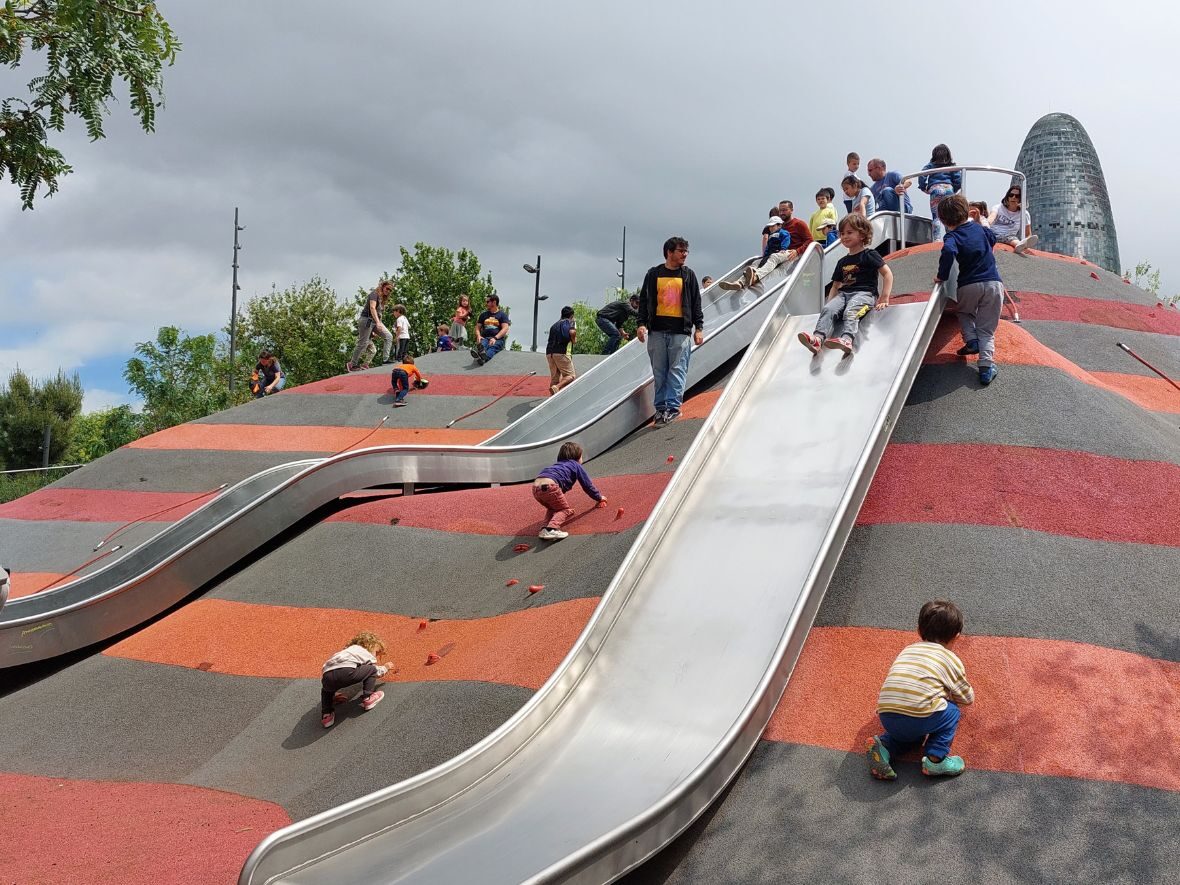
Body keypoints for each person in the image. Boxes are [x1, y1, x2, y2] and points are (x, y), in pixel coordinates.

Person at [866, 600, 974, 780]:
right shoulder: (950, 659)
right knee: (953, 711)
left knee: (912, 737)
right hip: (919, 716)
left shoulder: (907, 650)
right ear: (956, 637)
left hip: (887, 715)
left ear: (918, 630)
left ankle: (883, 747)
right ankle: (935, 760)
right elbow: (967, 698)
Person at [798, 214, 892, 355]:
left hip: (865, 295)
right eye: (842, 233)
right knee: (828, 309)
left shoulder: (870, 255)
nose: (844, 236)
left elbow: (887, 274)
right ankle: (817, 339)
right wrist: (831, 305)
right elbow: (836, 286)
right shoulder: (842, 262)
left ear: (862, 234)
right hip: (844, 295)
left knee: (852, 310)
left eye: (849, 232)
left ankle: (847, 339)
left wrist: (884, 297)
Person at [934, 195, 1004, 386]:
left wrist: (942, 275)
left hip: (968, 284)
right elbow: (992, 239)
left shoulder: (952, 236)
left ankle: (971, 340)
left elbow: (948, 251)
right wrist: (979, 219)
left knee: (965, 312)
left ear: (942, 220)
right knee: (987, 329)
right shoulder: (979, 229)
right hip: (993, 284)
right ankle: (985, 368)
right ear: (967, 212)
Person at [636, 236, 704, 426]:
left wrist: (698, 328)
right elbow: (644, 301)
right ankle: (660, 409)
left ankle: (673, 408)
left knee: (677, 370)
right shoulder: (653, 274)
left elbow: (696, 303)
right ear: (669, 252)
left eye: (686, 251)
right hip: (657, 331)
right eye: (681, 251)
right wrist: (641, 324)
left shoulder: (688, 275)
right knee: (659, 372)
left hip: (680, 332)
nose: (685, 255)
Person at [533, 440, 605, 541]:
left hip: (536, 488)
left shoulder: (557, 466)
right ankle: (551, 529)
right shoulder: (575, 465)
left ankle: (544, 529)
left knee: (554, 508)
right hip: (550, 485)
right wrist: (599, 497)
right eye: (581, 456)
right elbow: (587, 485)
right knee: (564, 510)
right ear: (577, 456)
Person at [321, 631, 394, 728]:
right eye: (377, 652)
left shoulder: (347, 652)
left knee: (326, 691)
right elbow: (376, 672)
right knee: (371, 669)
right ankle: (368, 698)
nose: (376, 656)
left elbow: (335, 669)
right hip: (346, 672)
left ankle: (327, 716)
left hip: (326, 675)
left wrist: (332, 695)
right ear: (370, 646)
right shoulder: (364, 652)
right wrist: (385, 667)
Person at [719, 212, 802, 291]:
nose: (771, 228)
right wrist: (764, 255)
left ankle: (756, 276)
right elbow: (768, 246)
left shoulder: (783, 232)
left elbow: (786, 240)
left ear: (779, 225)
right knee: (756, 263)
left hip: (780, 252)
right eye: (770, 226)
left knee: (772, 259)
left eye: (773, 226)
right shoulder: (771, 235)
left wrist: (783, 248)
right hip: (769, 254)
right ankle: (739, 283)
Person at [915, 144, 962, 241]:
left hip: (935, 190)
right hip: (948, 189)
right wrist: (954, 190)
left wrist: (923, 187)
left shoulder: (931, 165)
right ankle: (951, 238)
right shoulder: (952, 166)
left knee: (936, 216)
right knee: (949, 216)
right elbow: (958, 180)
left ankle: (937, 239)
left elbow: (922, 175)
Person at [348, 280, 394, 372]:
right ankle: (352, 364)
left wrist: (377, 327)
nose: (388, 291)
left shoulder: (382, 299)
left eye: (390, 290)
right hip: (366, 320)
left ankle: (385, 359)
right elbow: (372, 308)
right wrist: (377, 323)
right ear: (382, 286)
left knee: (389, 336)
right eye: (387, 288)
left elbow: (379, 313)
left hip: (375, 322)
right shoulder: (374, 294)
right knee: (363, 343)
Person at [989, 185, 1038, 253]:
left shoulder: (1024, 214)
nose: (1013, 197)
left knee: (1013, 240)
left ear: (1020, 199)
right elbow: (991, 217)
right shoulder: (998, 207)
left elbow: (1028, 233)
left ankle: (1021, 245)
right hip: (992, 233)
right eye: (1011, 195)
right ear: (1007, 197)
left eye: (1017, 196)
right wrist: (986, 224)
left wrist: (1028, 241)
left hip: (1009, 236)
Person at [546, 305, 577, 395]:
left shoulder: (554, 325)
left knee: (555, 379)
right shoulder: (570, 322)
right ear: (571, 315)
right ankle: (558, 387)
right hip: (561, 352)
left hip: (549, 353)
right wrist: (574, 340)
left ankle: (553, 399)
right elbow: (572, 332)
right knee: (570, 375)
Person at [471, 294, 511, 364]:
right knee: (482, 345)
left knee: (492, 347)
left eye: (487, 302)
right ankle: (479, 353)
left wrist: (495, 338)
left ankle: (484, 357)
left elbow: (505, 328)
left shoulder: (502, 315)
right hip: (485, 338)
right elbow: (477, 327)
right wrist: (478, 336)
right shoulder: (483, 315)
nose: (486, 303)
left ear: (494, 302)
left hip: (498, 339)